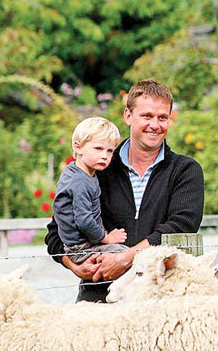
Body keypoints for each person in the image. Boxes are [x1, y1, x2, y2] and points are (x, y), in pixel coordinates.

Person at [46, 79, 205, 303]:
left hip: (162, 300)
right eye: (147, 116)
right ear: (128, 116)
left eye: (162, 117)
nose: (155, 125)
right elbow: (56, 231)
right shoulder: (97, 170)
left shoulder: (185, 171)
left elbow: (181, 226)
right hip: (101, 298)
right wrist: (74, 265)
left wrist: (127, 258)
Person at [53, 117, 131, 273]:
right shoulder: (80, 181)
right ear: (78, 147)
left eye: (110, 151)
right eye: (98, 149)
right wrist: (106, 238)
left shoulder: (77, 171)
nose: (105, 156)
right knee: (126, 255)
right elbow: (84, 220)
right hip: (80, 248)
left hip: (82, 244)